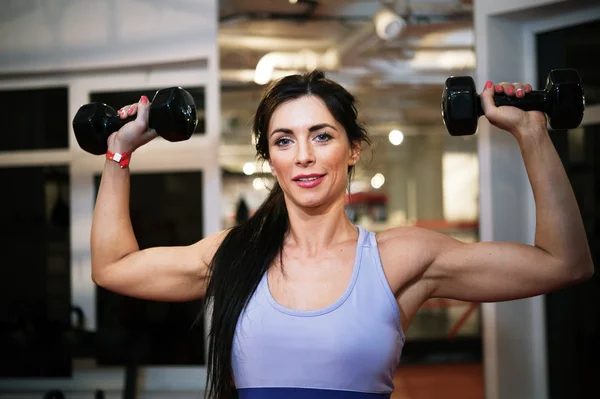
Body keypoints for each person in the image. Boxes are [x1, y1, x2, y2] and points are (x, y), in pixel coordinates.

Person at [90, 70, 594, 399]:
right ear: (272, 160)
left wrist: (532, 134)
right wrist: (118, 155)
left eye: (322, 136)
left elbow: (563, 262)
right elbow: (112, 267)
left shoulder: (401, 257)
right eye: (284, 140)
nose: (304, 155)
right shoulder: (233, 254)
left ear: (353, 149)